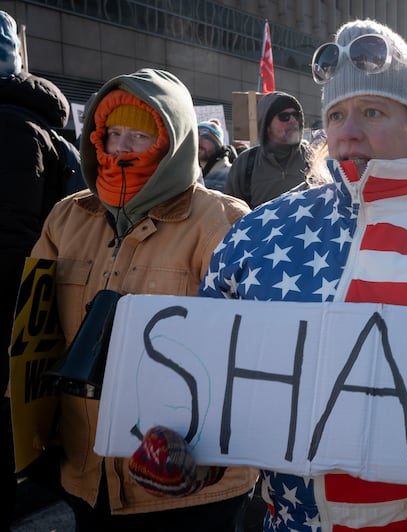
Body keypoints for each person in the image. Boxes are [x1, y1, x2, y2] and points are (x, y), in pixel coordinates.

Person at [128, 19, 407, 532]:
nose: (348, 130)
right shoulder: (259, 235)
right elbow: (214, 392)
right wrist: (186, 458)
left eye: (373, 111)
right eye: (337, 113)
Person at [29, 68, 258, 531]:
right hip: (84, 474)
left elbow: (248, 358)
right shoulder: (67, 218)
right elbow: (32, 333)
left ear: (175, 141)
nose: (124, 149)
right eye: (115, 135)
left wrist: (205, 459)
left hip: (188, 489)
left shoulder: (222, 222)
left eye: (141, 135)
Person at [0, 10, 79, 530]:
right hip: (38, 319)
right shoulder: (33, 122)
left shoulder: (10, 125)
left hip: (17, 321)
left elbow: (12, 237)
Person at [224, 91, 311, 207]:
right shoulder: (246, 163)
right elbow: (231, 212)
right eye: (284, 117)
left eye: (297, 115)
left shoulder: (314, 158)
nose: (293, 121)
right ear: (266, 125)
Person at [197, 118, 235, 192]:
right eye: (196, 137)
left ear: (218, 144)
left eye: (205, 138)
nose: (198, 141)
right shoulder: (189, 175)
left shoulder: (232, 174)